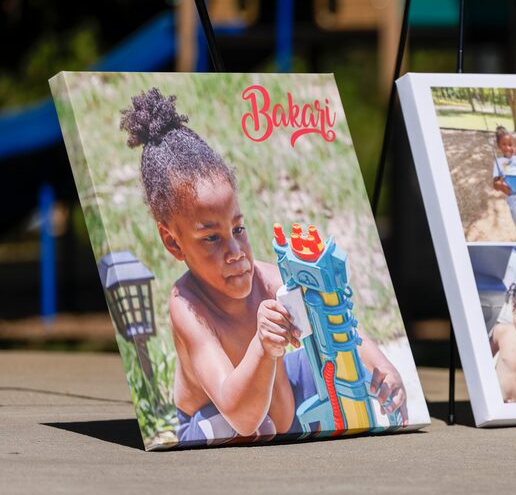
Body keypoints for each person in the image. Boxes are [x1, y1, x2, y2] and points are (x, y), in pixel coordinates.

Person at [121, 88, 407, 444]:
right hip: (217, 419)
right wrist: (263, 345)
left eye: (238, 229)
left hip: (277, 406)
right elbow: (238, 413)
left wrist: (382, 368)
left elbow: (339, 327)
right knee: (258, 428)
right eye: (211, 238)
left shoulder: (267, 279)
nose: (236, 251)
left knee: (335, 364)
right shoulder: (188, 307)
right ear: (173, 243)